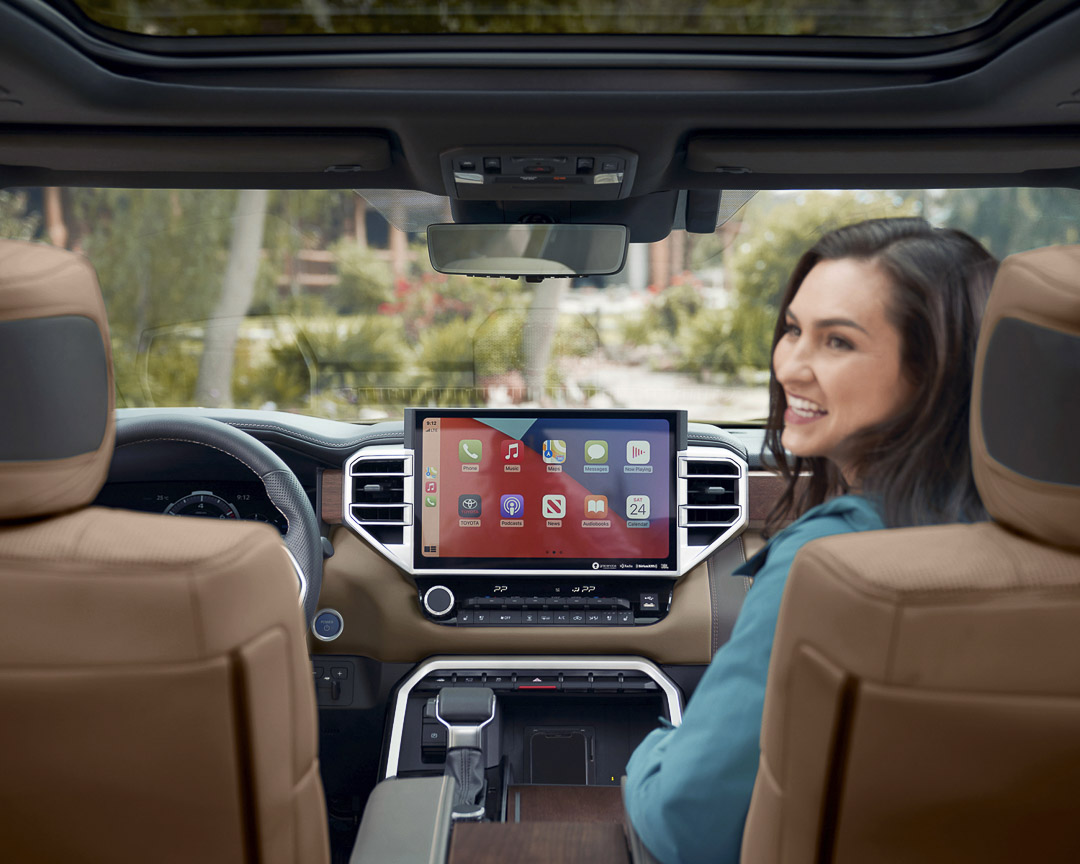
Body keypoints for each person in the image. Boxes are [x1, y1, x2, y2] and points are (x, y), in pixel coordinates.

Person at [623, 217, 998, 864]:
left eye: (838, 343)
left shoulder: (830, 561)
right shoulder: (1029, 535)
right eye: (794, 329)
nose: (791, 366)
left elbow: (684, 828)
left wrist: (646, 754)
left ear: (934, 368)